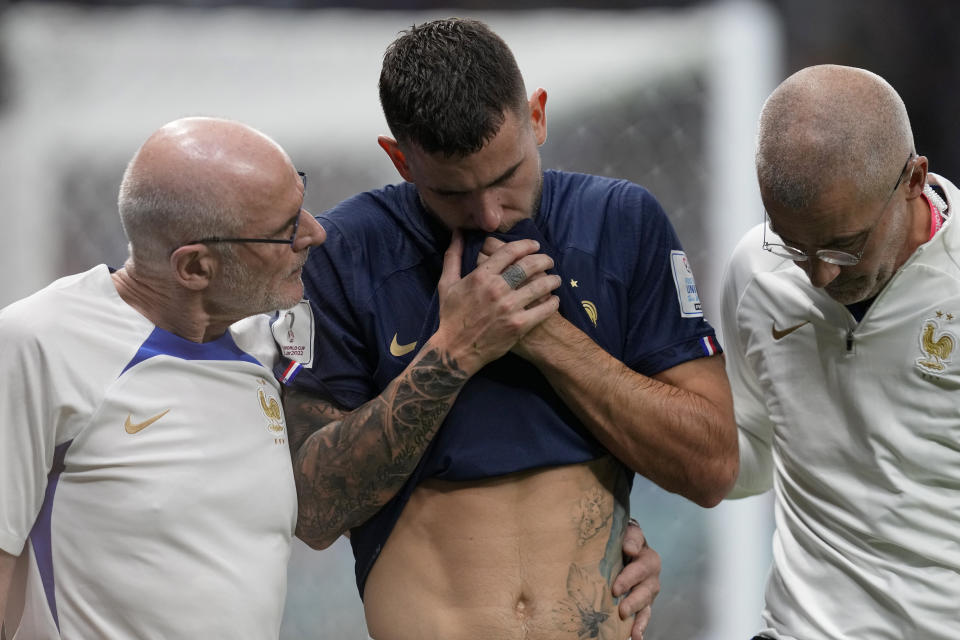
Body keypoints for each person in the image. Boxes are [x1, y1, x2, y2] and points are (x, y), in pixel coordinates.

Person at [280, 18, 737, 639]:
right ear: (399, 159)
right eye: (453, 194)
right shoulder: (347, 252)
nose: (489, 213)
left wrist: (548, 339)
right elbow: (313, 512)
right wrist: (456, 351)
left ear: (538, 117)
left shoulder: (620, 222)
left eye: (505, 177)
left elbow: (712, 467)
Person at [0, 117, 326, 638]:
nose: (315, 232)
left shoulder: (266, 347)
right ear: (196, 267)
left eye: (301, 201)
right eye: (285, 228)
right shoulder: (37, 343)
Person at [722, 64, 960, 639]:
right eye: (793, 244)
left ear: (914, 178)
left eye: (845, 246)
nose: (820, 276)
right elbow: (752, 448)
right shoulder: (756, 268)